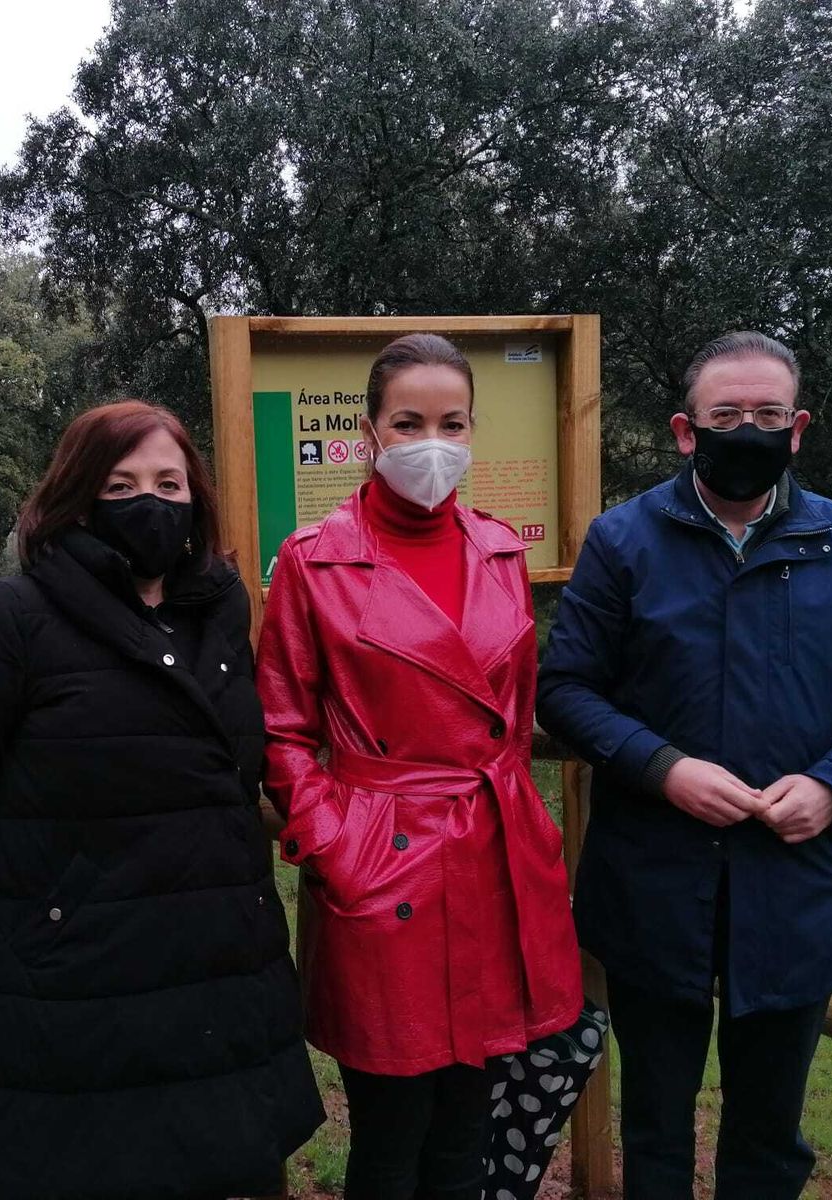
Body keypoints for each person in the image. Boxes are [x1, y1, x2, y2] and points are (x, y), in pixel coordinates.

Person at [0, 400, 324, 1200]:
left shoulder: (219, 607)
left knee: (231, 1169)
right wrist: (18, 927)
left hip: (221, 980)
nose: (151, 501)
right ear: (78, 497)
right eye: (121, 485)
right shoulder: (13, 620)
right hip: (83, 998)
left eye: (168, 480)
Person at [537, 331, 832, 1199]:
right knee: (657, 1132)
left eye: (766, 414)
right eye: (726, 415)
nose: (746, 428)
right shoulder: (624, 540)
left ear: (797, 429)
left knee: (766, 1140)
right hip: (652, 887)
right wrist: (662, 766)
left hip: (793, 886)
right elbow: (564, 690)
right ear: (686, 430)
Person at [257, 333, 584, 1200]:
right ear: (370, 432)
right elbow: (282, 730)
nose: (429, 442)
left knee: (467, 1126)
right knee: (391, 1130)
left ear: (473, 430)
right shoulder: (312, 559)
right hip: (383, 863)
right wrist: (338, 845)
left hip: (490, 856)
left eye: (450, 421)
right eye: (408, 422)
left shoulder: (500, 550)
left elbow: (509, 719)